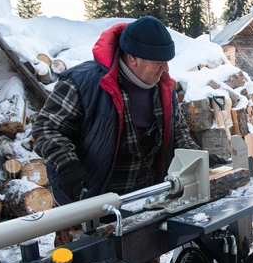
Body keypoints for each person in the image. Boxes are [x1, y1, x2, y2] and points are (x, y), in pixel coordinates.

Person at [33, 16, 225, 206]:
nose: (165, 68)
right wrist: (67, 164)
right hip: (92, 199)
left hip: (146, 197)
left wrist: (200, 160)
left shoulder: (163, 88)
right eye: (158, 62)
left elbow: (178, 134)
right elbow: (46, 129)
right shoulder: (83, 83)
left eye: (166, 61)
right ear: (133, 57)